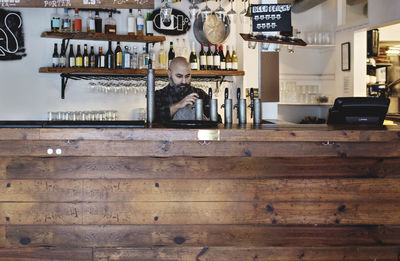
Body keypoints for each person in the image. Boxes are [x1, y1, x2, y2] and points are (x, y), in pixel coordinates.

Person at [155, 56, 212, 122]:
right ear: (169, 74)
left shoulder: (200, 94)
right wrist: (179, 105)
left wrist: (208, 121)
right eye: (179, 76)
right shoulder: (158, 95)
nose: (184, 81)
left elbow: (218, 120)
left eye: (187, 76)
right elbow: (155, 119)